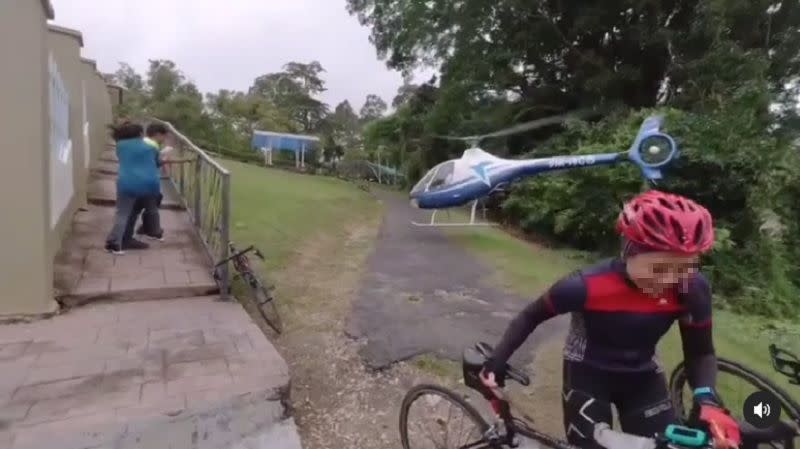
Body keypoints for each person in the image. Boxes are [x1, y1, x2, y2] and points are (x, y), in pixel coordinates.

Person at [480, 190, 741, 449]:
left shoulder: (692, 290)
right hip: (588, 376)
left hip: (643, 378)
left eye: (685, 268)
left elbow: (700, 351)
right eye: (658, 268)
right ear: (628, 252)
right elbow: (530, 316)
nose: (670, 280)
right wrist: (497, 361)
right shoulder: (584, 286)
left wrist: (706, 397)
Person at [104, 122, 160, 254]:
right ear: (140, 134)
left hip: (127, 183)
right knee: (139, 211)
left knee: (122, 214)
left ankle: (115, 242)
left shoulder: (120, 146)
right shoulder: (151, 148)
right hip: (150, 185)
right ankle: (147, 232)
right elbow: (157, 162)